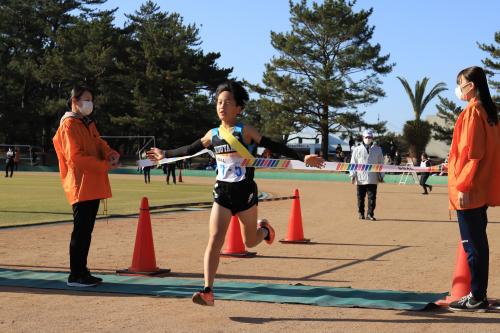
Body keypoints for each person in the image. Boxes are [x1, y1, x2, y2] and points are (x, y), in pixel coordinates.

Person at [147, 80, 324, 306]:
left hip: (246, 194)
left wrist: (302, 157)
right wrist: (166, 153)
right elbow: (190, 149)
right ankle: (208, 291)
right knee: (214, 240)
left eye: (228, 102)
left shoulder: (246, 131)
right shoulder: (212, 135)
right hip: (222, 193)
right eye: (219, 102)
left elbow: (273, 144)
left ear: (238, 107)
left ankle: (264, 229)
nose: (222, 106)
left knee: (250, 242)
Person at [53, 86, 120, 287]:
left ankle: (82, 271)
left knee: (86, 230)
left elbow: (99, 143)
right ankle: (76, 274)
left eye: (91, 99)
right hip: (80, 184)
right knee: (81, 231)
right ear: (75, 100)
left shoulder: (86, 123)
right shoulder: (69, 124)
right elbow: (75, 157)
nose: (90, 103)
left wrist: (111, 154)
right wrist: (104, 165)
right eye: (86, 99)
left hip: (91, 183)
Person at [447, 66, 500, 312]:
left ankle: (477, 296)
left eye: (461, 82)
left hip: (470, 189)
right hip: (481, 188)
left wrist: (463, 186)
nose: (458, 87)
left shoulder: (473, 112)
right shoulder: (490, 113)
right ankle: (478, 294)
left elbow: (472, 154)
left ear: (472, 85)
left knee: (472, 245)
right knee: (479, 243)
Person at [349, 129, 384, 221]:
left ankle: (370, 214)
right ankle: (361, 213)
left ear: (372, 138)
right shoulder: (357, 149)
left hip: (373, 178)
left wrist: (381, 175)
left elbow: (381, 163)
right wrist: (352, 174)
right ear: (362, 138)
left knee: (372, 198)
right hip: (360, 178)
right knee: (360, 198)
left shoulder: (378, 149)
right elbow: (353, 163)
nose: (368, 139)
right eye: (366, 137)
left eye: (370, 137)